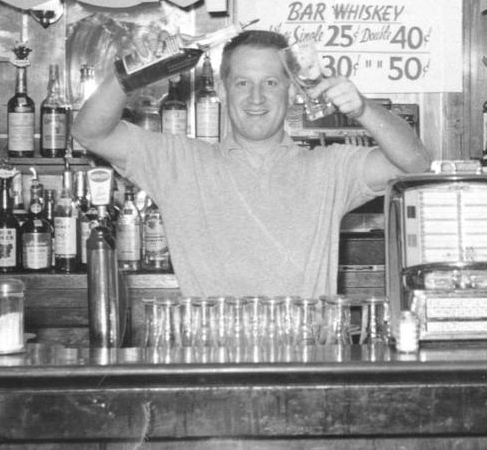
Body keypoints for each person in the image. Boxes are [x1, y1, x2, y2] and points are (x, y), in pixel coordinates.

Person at [72, 29, 431, 297]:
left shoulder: (329, 167)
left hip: (304, 368)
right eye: (243, 83)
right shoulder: (178, 162)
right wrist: (128, 76)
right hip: (214, 368)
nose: (256, 98)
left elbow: (415, 165)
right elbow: (91, 133)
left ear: (292, 92)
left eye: (271, 83)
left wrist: (364, 109)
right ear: (223, 90)